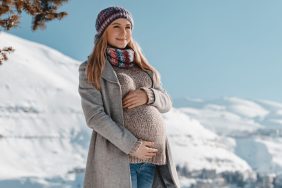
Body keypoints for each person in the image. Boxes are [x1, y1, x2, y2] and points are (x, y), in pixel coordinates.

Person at [78, 6, 180, 188]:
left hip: (152, 160)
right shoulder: (92, 68)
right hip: (120, 159)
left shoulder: (142, 65)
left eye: (128, 27)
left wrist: (149, 95)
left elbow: (167, 102)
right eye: (116, 26)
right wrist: (133, 146)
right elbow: (95, 117)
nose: (123, 32)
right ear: (104, 32)